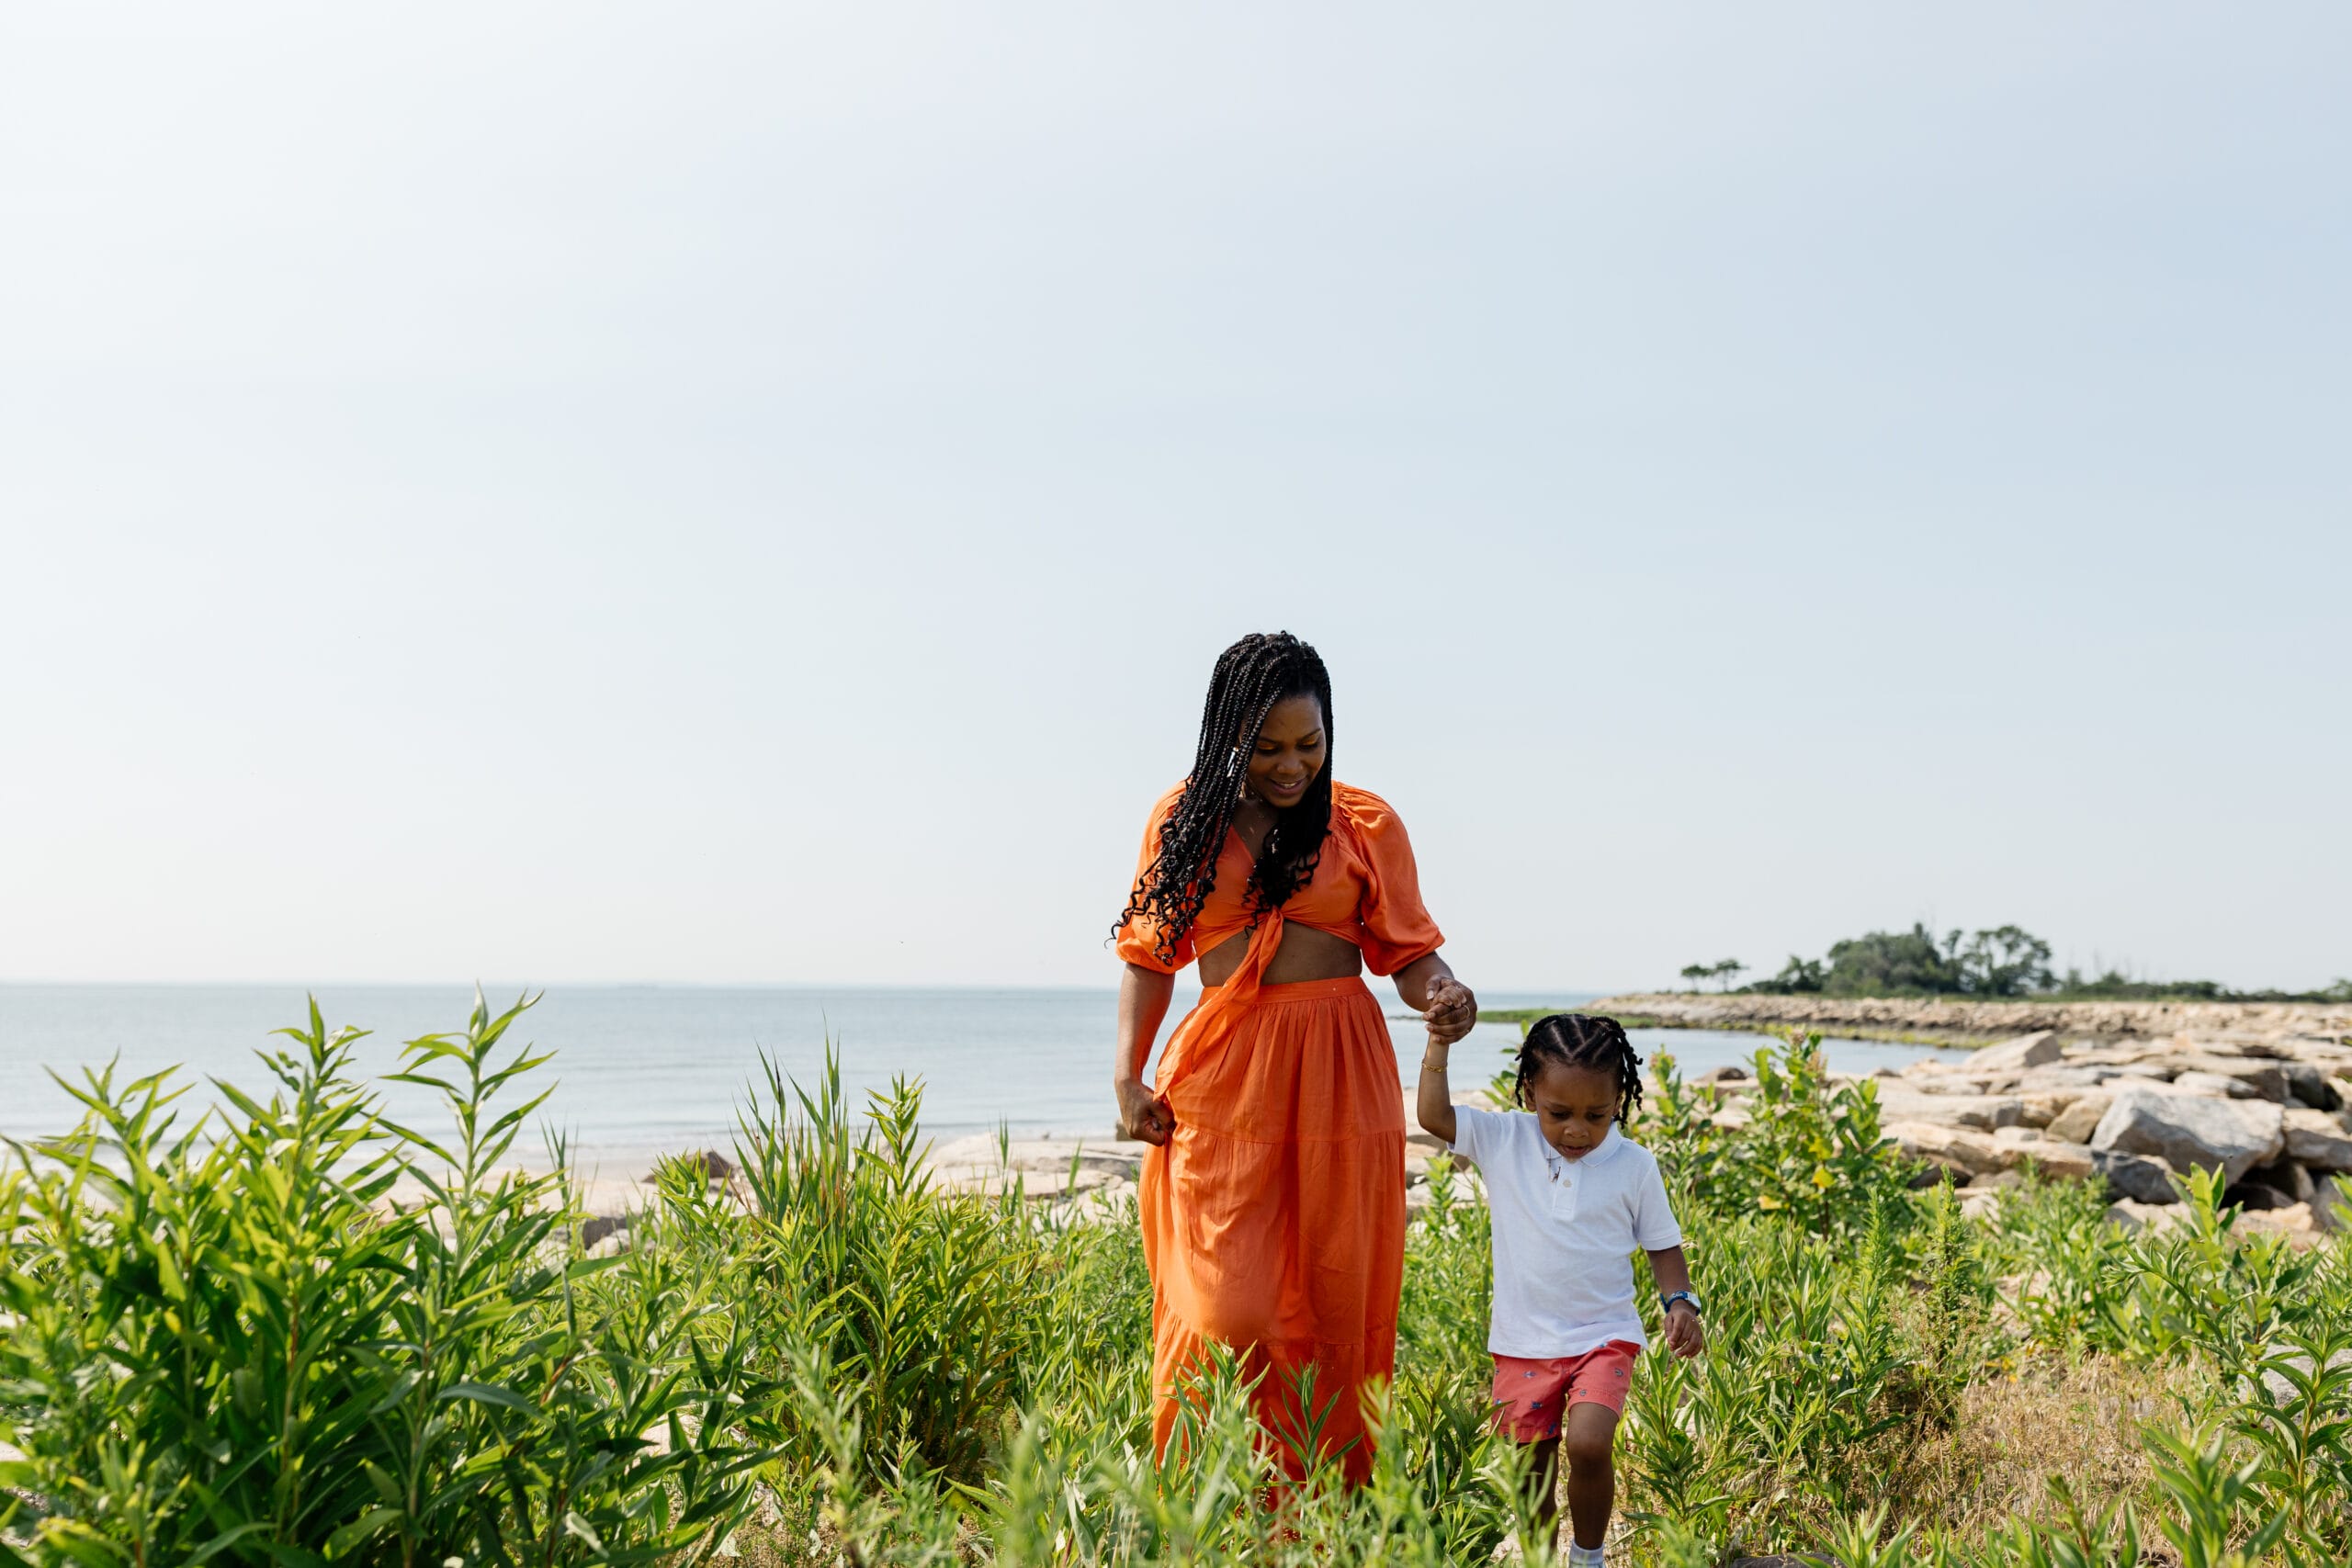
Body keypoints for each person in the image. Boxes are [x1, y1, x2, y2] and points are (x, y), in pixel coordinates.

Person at [1111, 631, 1477, 1484]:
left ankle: (1326, 1520)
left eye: (1308, 745)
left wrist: (1444, 991)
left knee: (1330, 1298)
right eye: (1267, 747)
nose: (1291, 765)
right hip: (1221, 1083)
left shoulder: (1362, 822)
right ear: (1227, 736)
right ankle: (1211, 1505)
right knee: (1225, 1311)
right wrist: (1126, 1076)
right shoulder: (1184, 819)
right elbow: (1146, 955)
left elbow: (1409, 953)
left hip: (1339, 1078)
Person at [1416, 1013, 1704, 1565]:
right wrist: (1438, 1042)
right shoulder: (1504, 1139)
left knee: (1590, 1443)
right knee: (1532, 1472)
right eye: (1559, 1113)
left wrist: (1680, 1302)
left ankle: (1587, 1557)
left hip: (1605, 1336)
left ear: (1620, 1099)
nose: (1577, 1130)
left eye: (1597, 1115)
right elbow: (1432, 1114)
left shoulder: (1634, 1165)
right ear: (1530, 1093)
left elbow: (1663, 1245)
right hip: (1522, 1341)